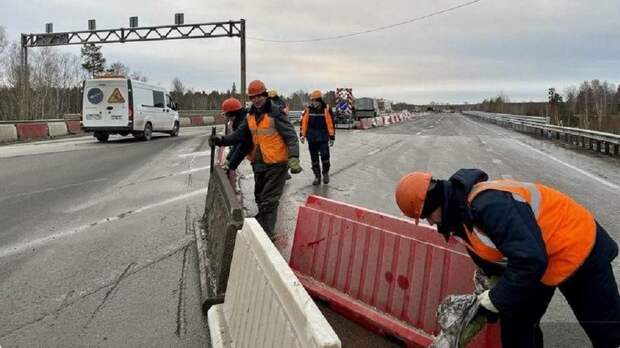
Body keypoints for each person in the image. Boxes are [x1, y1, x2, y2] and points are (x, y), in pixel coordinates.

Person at [394, 169, 620, 348]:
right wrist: (490, 287)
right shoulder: (458, 219)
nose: (430, 223)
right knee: (517, 326)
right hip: (541, 260)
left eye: (425, 216)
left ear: (434, 203)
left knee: (605, 329)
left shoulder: (487, 205)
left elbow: (530, 259)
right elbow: (501, 257)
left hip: (579, 246)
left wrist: (496, 299)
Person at [209, 80, 302, 238]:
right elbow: (239, 135)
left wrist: (293, 157)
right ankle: (263, 226)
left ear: (265, 95)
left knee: (269, 200)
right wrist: (221, 140)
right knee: (259, 197)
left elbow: (291, 136)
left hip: (277, 163)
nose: (257, 100)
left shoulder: (276, 113)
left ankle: (267, 233)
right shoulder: (250, 116)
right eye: (253, 97)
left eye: (259, 96)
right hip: (259, 163)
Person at [299, 90, 335, 185]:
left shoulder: (326, 109)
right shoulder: (308, 109)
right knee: (314, 159)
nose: (312, 102)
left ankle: (325, 173)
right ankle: (317, 177)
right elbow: (303, 122)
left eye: (314, 100)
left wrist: (332, 137)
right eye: (312, 100)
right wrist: (302, 135)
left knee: (325, 157)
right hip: (312, 138)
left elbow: (331, 123)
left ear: (318, 100)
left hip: (323, 137)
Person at [220, 97, 250, 171]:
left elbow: (243, 146)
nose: (227, 118)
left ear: (232, 114)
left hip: (267, 158)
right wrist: (228, 160)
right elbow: (237, 142)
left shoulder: (244, 122)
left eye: (227, 115)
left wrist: (231, 165)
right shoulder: (240, 120)